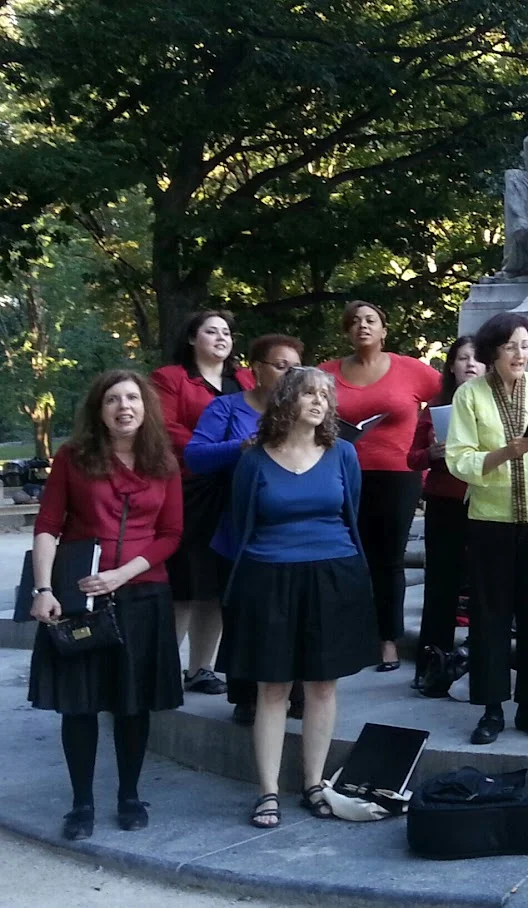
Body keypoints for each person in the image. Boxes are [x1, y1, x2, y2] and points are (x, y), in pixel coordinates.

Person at [28, 370, 184, 842]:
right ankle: (81, 803)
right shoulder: (73, 457)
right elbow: (48, 524)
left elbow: (170, 534)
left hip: (142, 594)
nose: (124, 406)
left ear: (146, 407)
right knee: (79, 706)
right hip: (81, 599)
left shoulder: (164, 462)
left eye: (132, 397)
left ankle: (129, 796)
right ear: (99, 410)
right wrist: (43, 589)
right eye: (113, 399)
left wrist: (122, 574)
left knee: (132, 705)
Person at [220, 367, 375, 829]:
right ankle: (267, 791)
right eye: (308, 393)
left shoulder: (344, 453)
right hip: (268, 578)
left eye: (325, 395)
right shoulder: (253, 460)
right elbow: (241, 521)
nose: (318, 402)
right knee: (272, 687)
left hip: (333, 574)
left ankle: (314, 783)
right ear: (286, 400)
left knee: (323, 685)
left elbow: (352, 512)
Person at [445, 313, 528, 745]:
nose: (519, 354)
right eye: (509, 346)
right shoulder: (469, 394)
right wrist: (506, 452)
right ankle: (491, 709)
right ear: (492, 351)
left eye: (524, 345)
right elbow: (458, 458)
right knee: (489, 617)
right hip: (491, 521)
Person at [186, 334, 305, 725]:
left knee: (294, 615)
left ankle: (298, 691)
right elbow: (195, 457)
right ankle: (247, 695)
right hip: (239, 529)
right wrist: (241, 446)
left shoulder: (306, 410)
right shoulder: (226, 407)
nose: (289, 374)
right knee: (243, 615)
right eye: (280, 366)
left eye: (295, 368)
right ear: (256, 369)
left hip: (293, 530)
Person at [318, 301, 442, 672]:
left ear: (384, 330)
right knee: (346, 557)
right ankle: (351, 636)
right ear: (346, 332)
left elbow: (450, 396)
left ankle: (388, 639)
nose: (363, 326)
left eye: (371, 320)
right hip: (340, 474)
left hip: (397, 475)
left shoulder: (410, 369)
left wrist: (430, 441)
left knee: (389, 559)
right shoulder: (325, 373)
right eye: (354, 321)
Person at [150, 310, 256, 698]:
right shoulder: (170, 378)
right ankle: (161, 672)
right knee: (184, 582)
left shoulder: (245, 380)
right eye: (211, 331)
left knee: (215, 586)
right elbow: (164, 427)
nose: (221, 337)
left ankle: (201, 669)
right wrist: (216, 445)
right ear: (192, 338)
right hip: (190, 487)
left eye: (226, 332)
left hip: (236, 489)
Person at [407, 336, 483, 694]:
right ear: (451, 366)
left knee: (484, 585)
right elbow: (412, 458)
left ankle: (477, 664)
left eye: (477, 358)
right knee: (440, 586)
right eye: (462, 358)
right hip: (444, 502)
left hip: (485, 501)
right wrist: (432, 454)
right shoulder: (436, 407)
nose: (470, 364)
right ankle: (430, 665)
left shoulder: (496, 404)